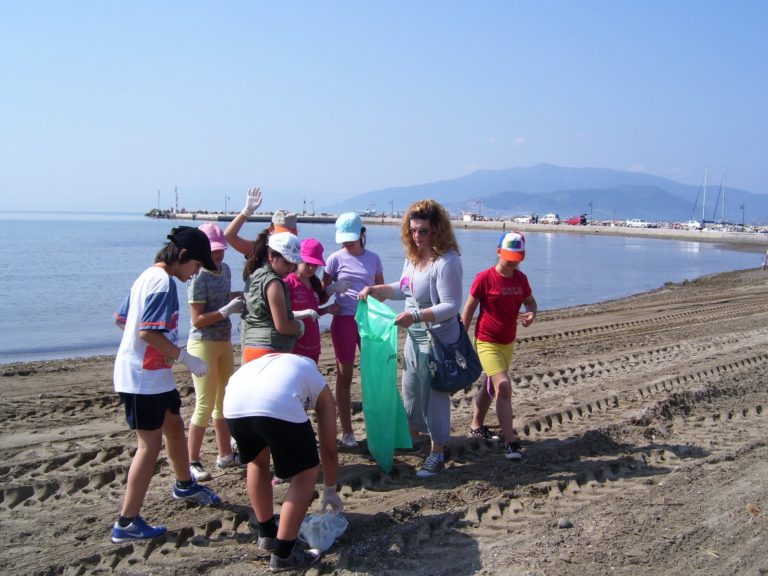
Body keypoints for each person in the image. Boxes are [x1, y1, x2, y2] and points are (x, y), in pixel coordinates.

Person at [111, 226, 221, 544]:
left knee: (174, 426)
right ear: (183, 257)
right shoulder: (161, 282)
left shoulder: (148, 276)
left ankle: (185, 484)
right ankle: (127, 522)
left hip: (154, 376)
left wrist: (150, 350)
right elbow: (146, 332)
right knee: (149, 446)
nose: (194, 274)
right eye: (196, 267)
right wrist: (183, 357)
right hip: (142, 380)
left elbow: (122, 319)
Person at [359, 199, 463, 478]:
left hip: (439, 341)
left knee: (435, 396)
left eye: (423, 231)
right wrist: (377, 289)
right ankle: (412, 437)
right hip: (415, 338)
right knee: (412, 391)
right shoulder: (414, 258)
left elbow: (451, 306)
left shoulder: (447, 262)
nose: (417, 236)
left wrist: (415, 317)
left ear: (437, 230)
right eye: (413, 230)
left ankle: (437, 452)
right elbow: (404, 289)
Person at [224, 353, 344, 572]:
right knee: (307, 470)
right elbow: (328, 449)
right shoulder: (318, 382)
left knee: (257, 462)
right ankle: (283, 555)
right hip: (275, 403)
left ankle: (267, 535)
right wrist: (330, 489)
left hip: (233, 405)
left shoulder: (279, 365)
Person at [461, 231, 537, 460]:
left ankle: (476, 426)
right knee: (503, 385)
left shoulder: (521, 280)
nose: (513, 261)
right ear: (498, 252)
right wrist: (461, 338)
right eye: (509, 256)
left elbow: (530, 301)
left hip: (508, 342)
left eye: (517, 257)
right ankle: (510, 442)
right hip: (486, 341)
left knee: (490, 386)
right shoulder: (484, 278)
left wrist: (531, 313)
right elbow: (469, 308)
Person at [186, 223, 244, 482]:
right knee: (204, 404)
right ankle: (192, 461)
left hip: (223, 341)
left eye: (221, 250)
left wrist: (241, 298)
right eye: (213, 251)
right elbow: (197, 319)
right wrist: (224, 311)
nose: (218, 255)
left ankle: (224, 454)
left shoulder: (226, 270)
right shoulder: (197, 276)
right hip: (203, 343)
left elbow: (224, 296)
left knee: (224, 401)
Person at [322, 213, 384, 447]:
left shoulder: (374, 259)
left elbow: (382, 293)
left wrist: (371, 292)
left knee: (371, 375)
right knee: (344, 376)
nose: (346, 244)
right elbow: (320, 291)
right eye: (343, 240)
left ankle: (376, 426)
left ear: (361, 234)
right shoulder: (335, 259)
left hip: (367, 321)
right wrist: (331, 290)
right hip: (344, 321)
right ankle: (348, 432)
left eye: (350, 239)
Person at [241, 231, 305, 364]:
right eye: (287, 263)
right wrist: (299, 326)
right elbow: (282, 326)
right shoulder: (274, 283)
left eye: (294, 264)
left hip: (251, 347)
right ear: (271, 255)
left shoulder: (255, 274)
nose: (292, 268)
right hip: (270, 351)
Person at [284, 239, 341, 363]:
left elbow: (314, 313)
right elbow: (283, 315)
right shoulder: (288, 282)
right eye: (307, 263)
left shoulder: (315, 284)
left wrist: (327, 310)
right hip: (295, 344)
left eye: (315, 265)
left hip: (313, 343)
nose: (311, 268)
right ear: (298, 260)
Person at [223, 186, 298, 257]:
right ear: (271, 230)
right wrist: (246, 211)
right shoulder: (260, 250)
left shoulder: (298, 253)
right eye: (282, 234)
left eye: (290, 235)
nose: (286, 238)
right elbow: (229, 236)